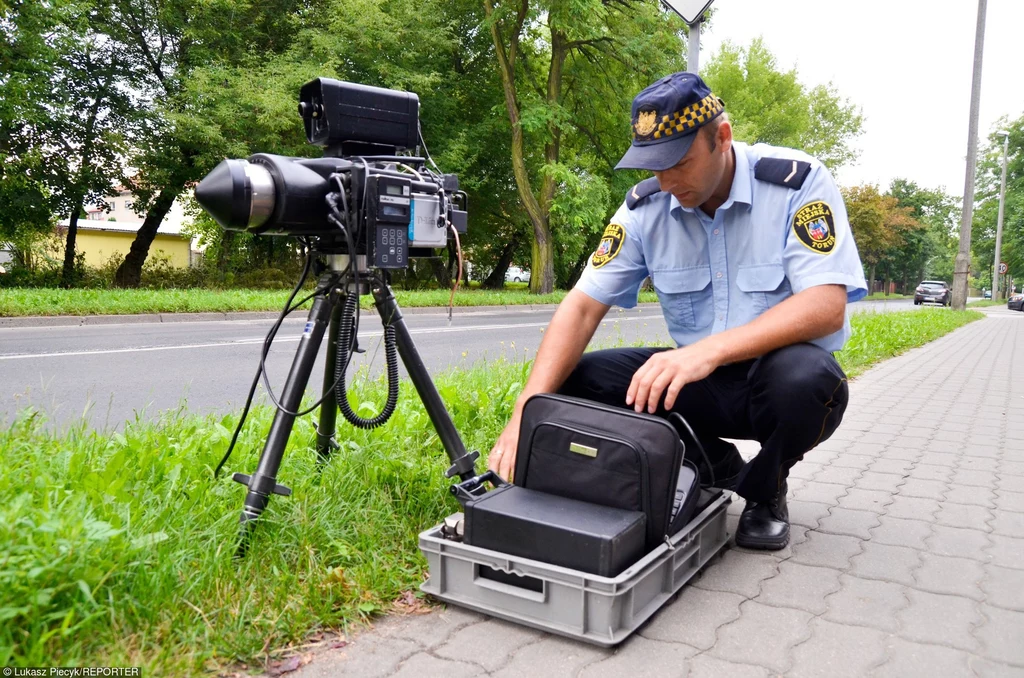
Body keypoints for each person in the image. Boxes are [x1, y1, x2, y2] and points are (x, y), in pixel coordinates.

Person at [487, 71, 867, 551]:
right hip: (699, 385)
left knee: (808, 381)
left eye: (680, 163)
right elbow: (581, 308)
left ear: (721, 138)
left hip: (773, 379)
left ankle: (765, 491)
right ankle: (712, 467)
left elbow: (826, 306)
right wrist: (526, 411)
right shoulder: (646, 208)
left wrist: (707, 352)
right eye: (654, 167)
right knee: (578, 381)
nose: (666, 181)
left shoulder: (796, 182)